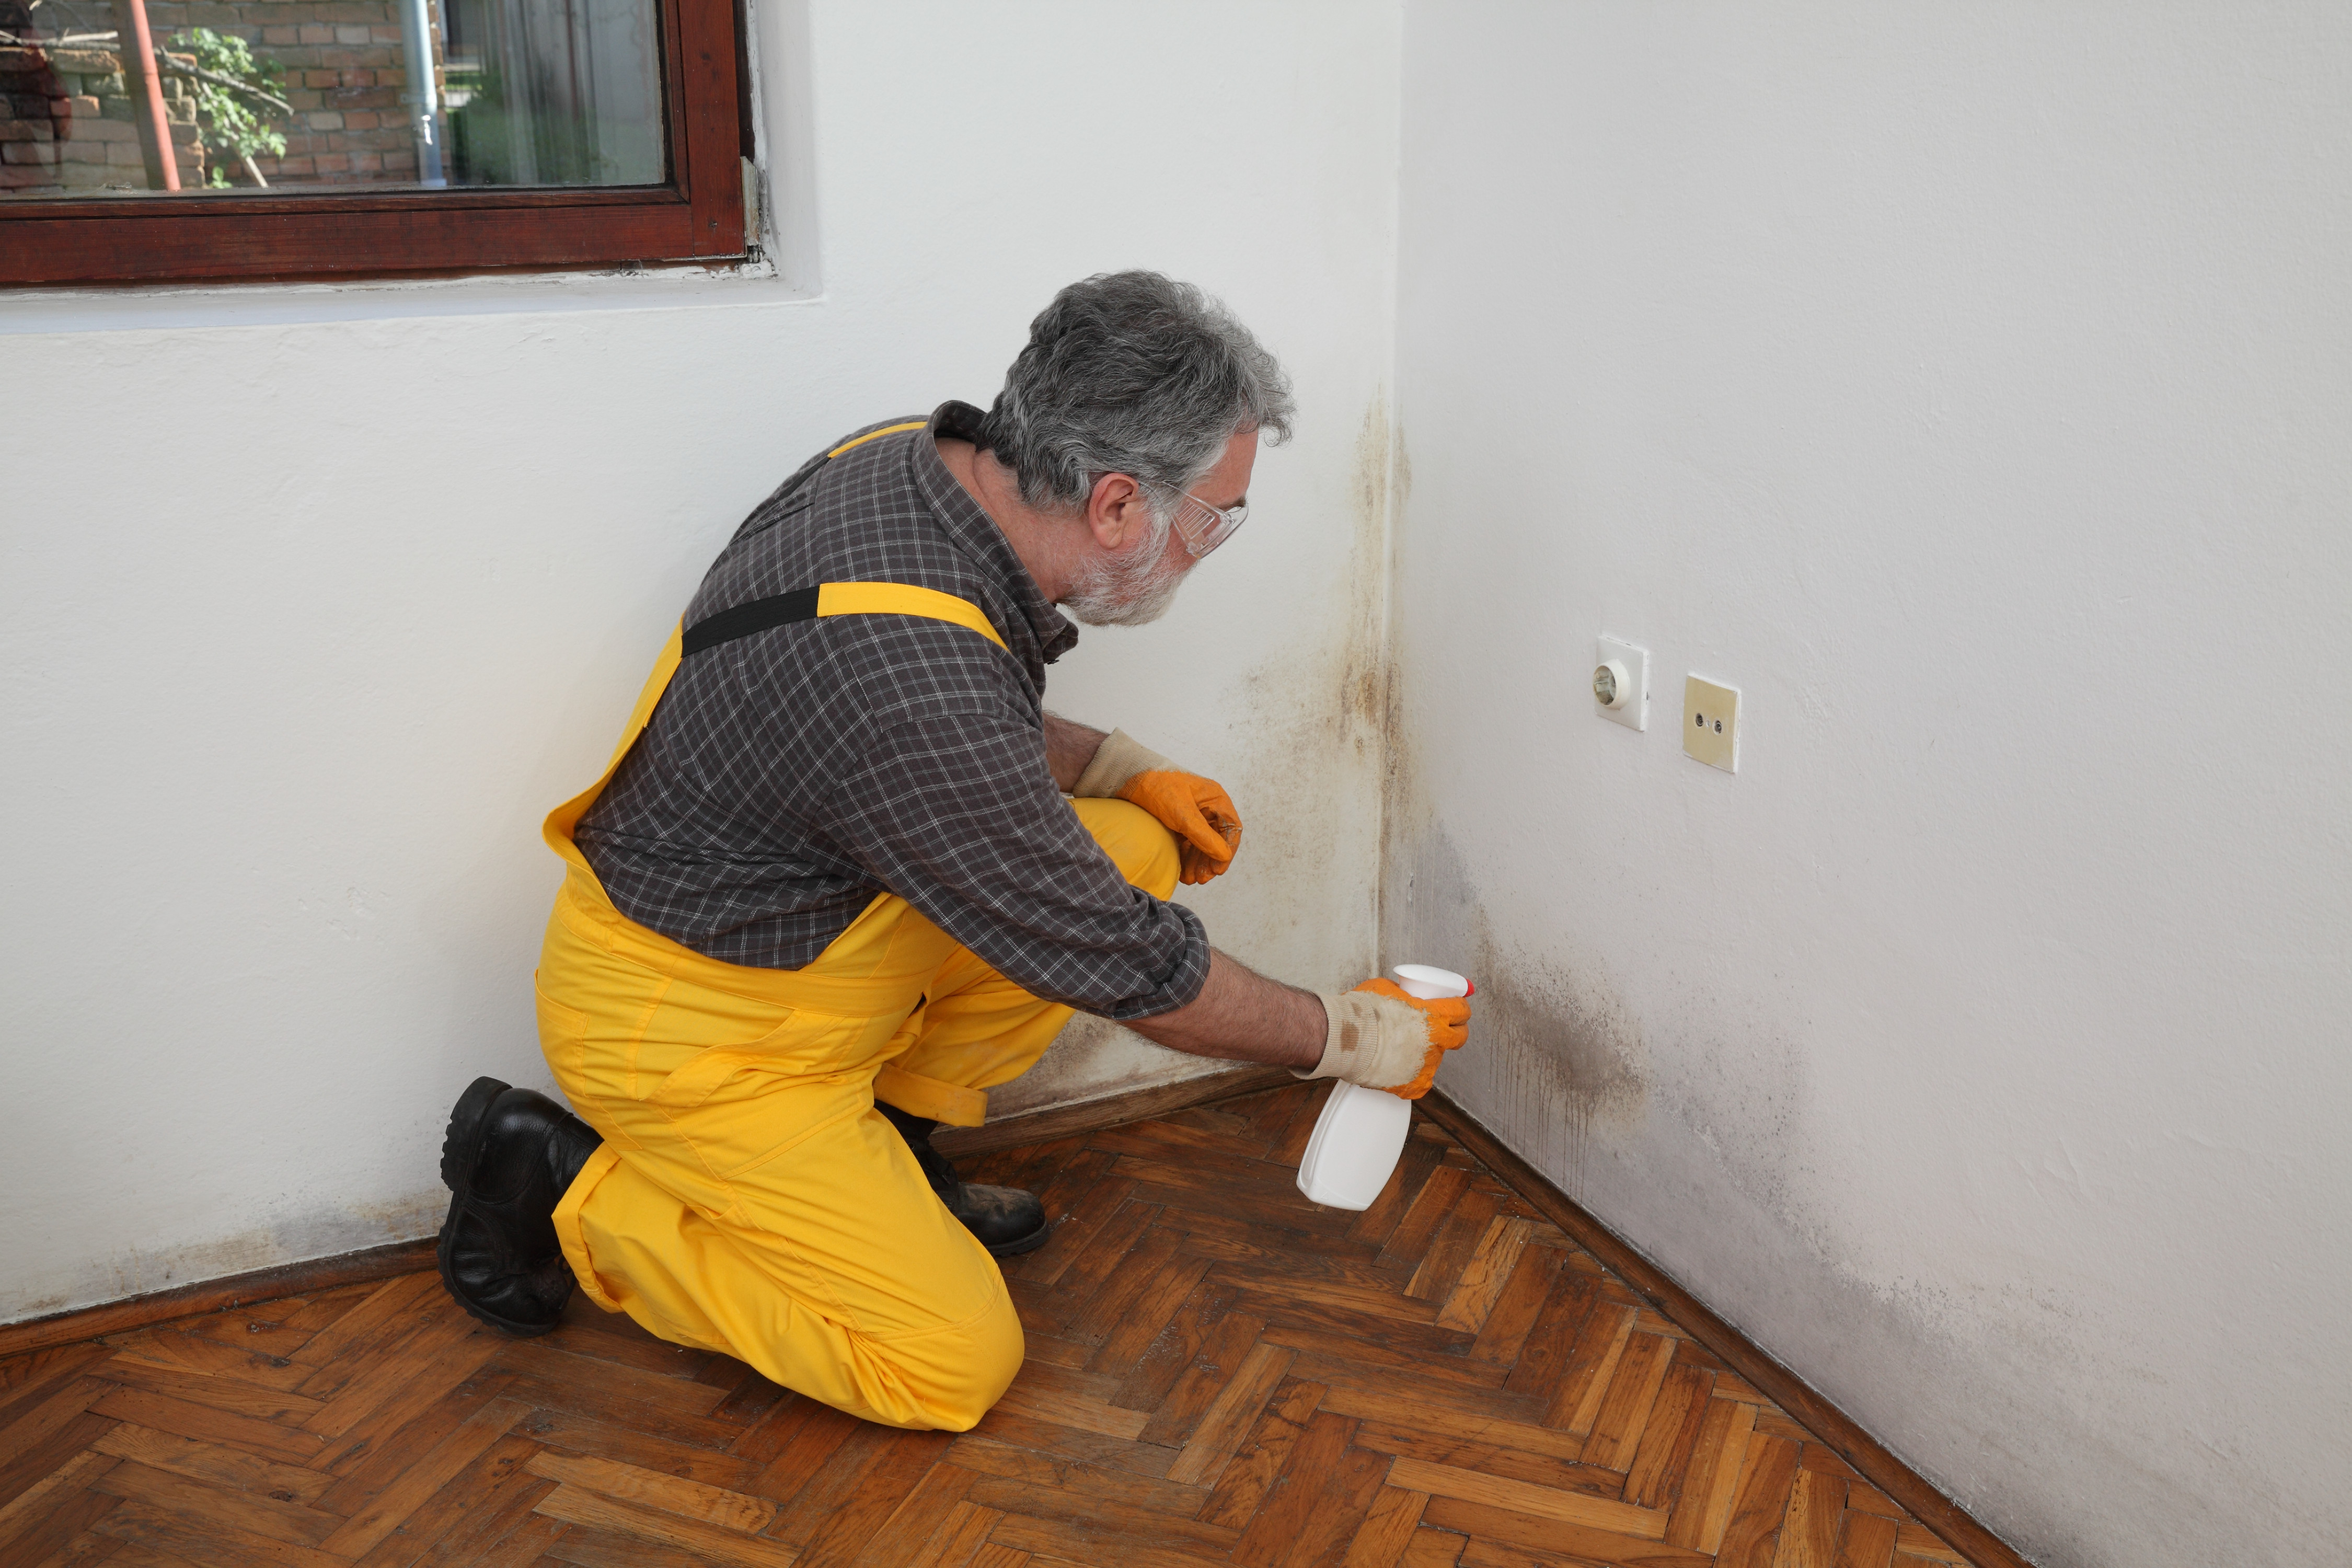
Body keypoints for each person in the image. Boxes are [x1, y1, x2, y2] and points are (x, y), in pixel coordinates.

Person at [433, 271, 1474, 1432]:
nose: (1211, 542)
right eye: (1213, 516)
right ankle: (557, 1180)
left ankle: (894, 1149)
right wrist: (1352, 1037)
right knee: (947, 1364)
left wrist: (1116, 768)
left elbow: (941, 712)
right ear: (1117, 506)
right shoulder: (911, 686)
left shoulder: (911, 466)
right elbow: (1126, 961)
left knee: (1133, 847)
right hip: (689, 1036)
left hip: (796, 938)